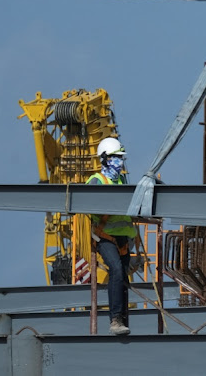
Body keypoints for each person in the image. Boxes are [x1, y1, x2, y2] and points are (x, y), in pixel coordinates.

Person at [88, 137, 136, 336]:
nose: (120, 162)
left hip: (124, 240)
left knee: (122, 277)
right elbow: (88, 208)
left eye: (121, 158)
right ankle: (115, 320)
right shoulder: (96, 181)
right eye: (116, 158)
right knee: (115, 270)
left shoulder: (122, 181)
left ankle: (123, 319)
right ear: (106, 159)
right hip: (105, 238)